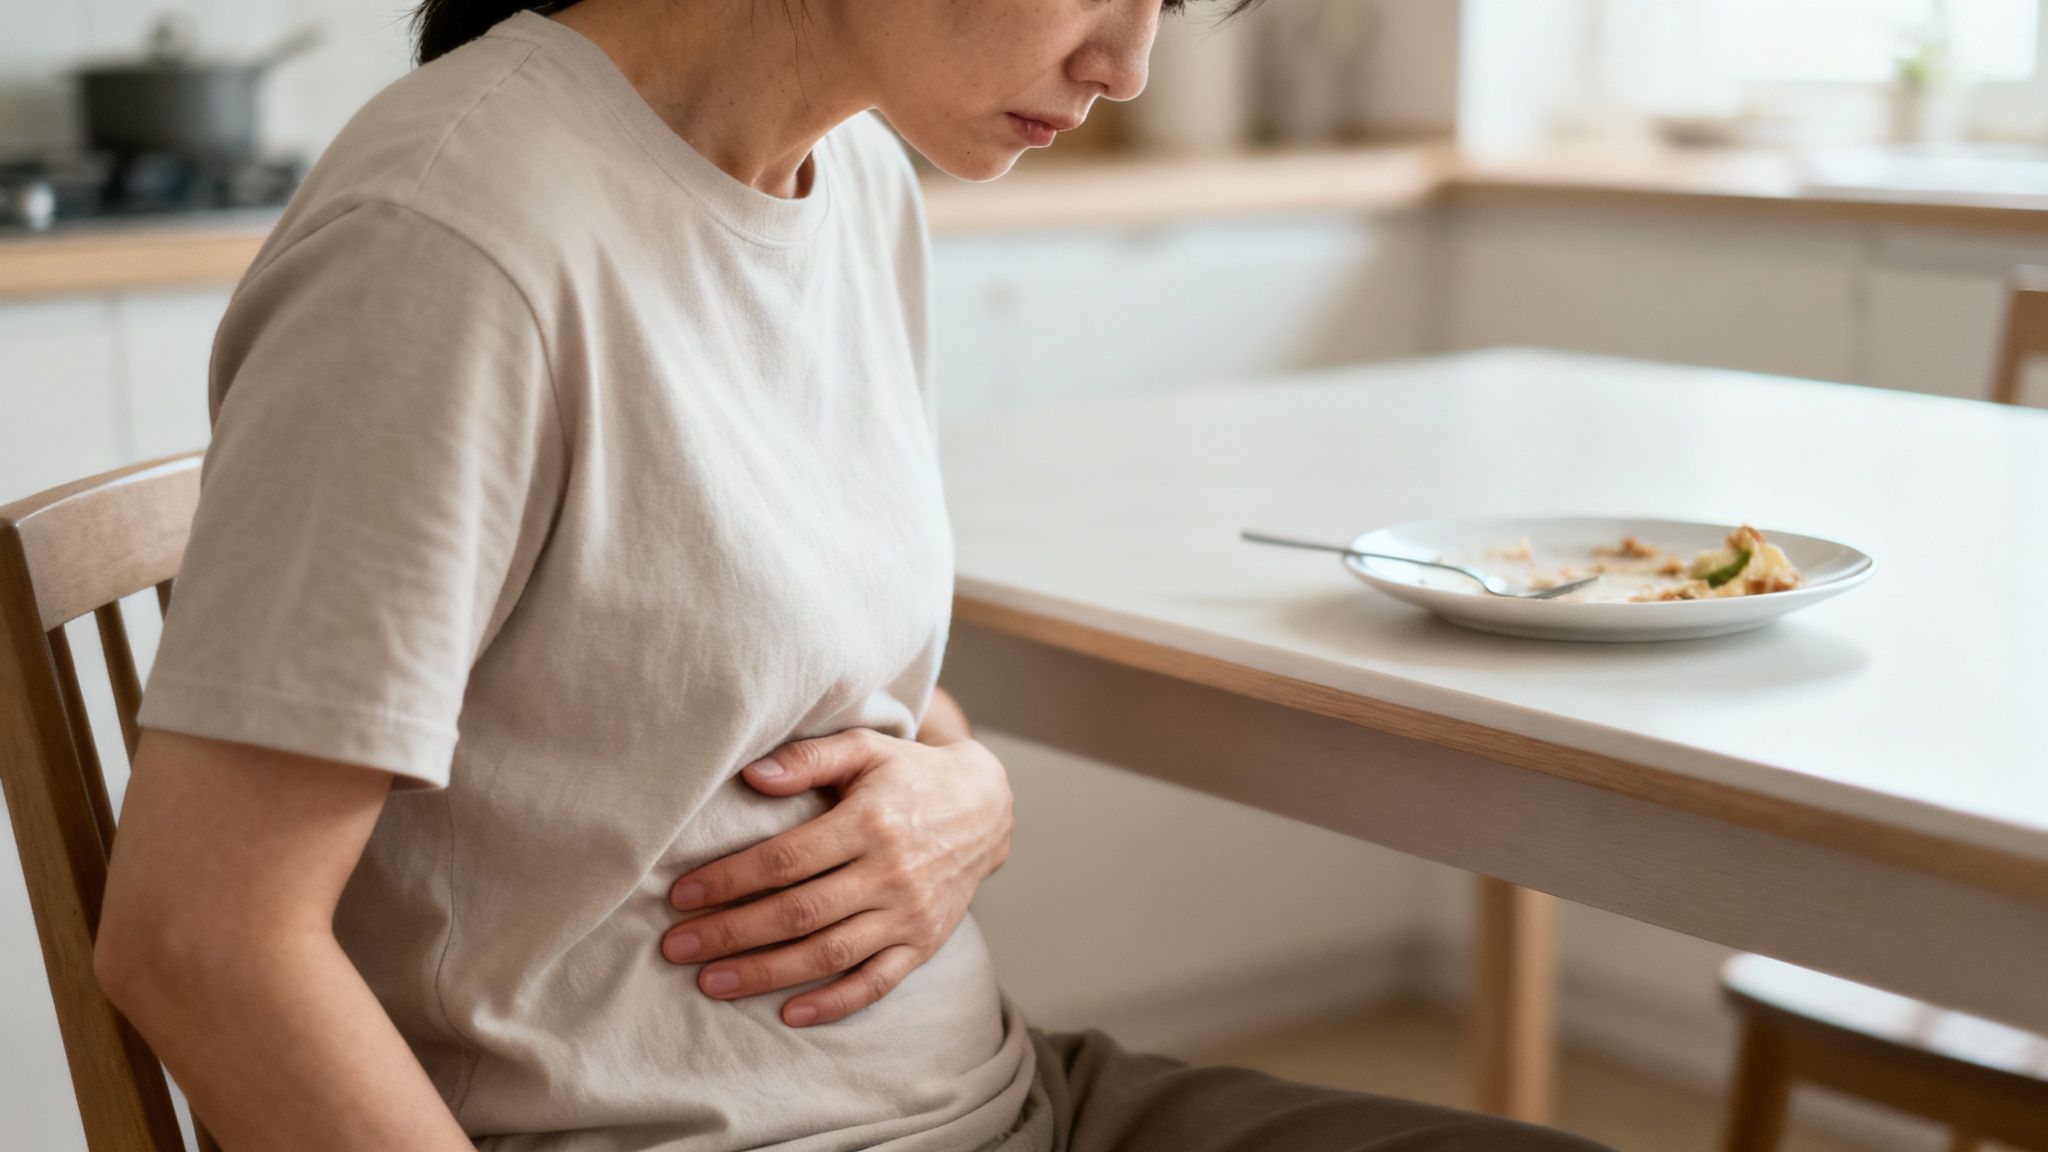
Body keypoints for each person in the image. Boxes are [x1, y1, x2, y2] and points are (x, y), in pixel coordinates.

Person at [92, 1, 1615, 1149]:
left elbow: (761, 671)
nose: (1128, 64)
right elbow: (204, 941)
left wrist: (967, 787)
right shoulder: (451, 245)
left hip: (1007, 1099)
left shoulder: (857, 181)